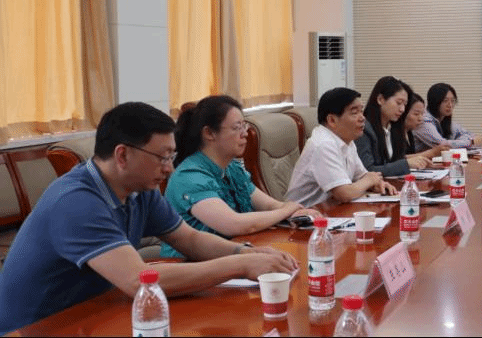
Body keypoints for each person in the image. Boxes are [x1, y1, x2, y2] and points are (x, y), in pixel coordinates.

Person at [0, 102, 298, 334]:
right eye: (163, 157)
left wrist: (246, 252)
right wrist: (241, 265)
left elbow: (189, 239)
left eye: (172, 157)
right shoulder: (76, 201)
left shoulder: (139, 189)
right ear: (122, 155)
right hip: (38, 327)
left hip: (97, 313)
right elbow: (138, 281)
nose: (169, 168)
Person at [161, 95, 319, 258]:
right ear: (209, 133)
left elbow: (270, 205)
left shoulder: (232, 168)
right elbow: (234, 224)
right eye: (237, 128)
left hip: (236, 254)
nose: (245, 134)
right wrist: (287, 210)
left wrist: (298, 213)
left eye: (244, 126)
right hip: (194, 264)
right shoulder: (189, 177)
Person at [284, 87, 397, 208]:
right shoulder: (323, 144)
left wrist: (377, 184)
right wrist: (370, 180)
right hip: (303, 215)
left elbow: (361, 176)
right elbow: (344, 194)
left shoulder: (347, 140)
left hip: (329, 210)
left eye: (361, 111)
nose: (362, 118)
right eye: (354, 113)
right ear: (332, 120)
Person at [354, 76, 431, 176]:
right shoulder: (364, 129)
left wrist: (419, 162)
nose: (402, 109)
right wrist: (406, 164)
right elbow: (368, 170)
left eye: (405, 105)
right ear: (380, 99)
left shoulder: (393, 128)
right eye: (399, 103)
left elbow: (394, 161)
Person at [412, 82, 482, 152]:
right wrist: (470, 142)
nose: (450, 105)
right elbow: (443, 145)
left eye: (452, 101)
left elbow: (468, 134)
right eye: (445, 101)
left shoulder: (444, 119)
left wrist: (464, 141)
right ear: (435, 102)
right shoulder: (423, 121)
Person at [401, 86, 450, 159]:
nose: (420, 119)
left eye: (422, 114)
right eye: (416, 114)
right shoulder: (394, 133)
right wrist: (431, 153)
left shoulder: (409, 132)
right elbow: (399, 160)